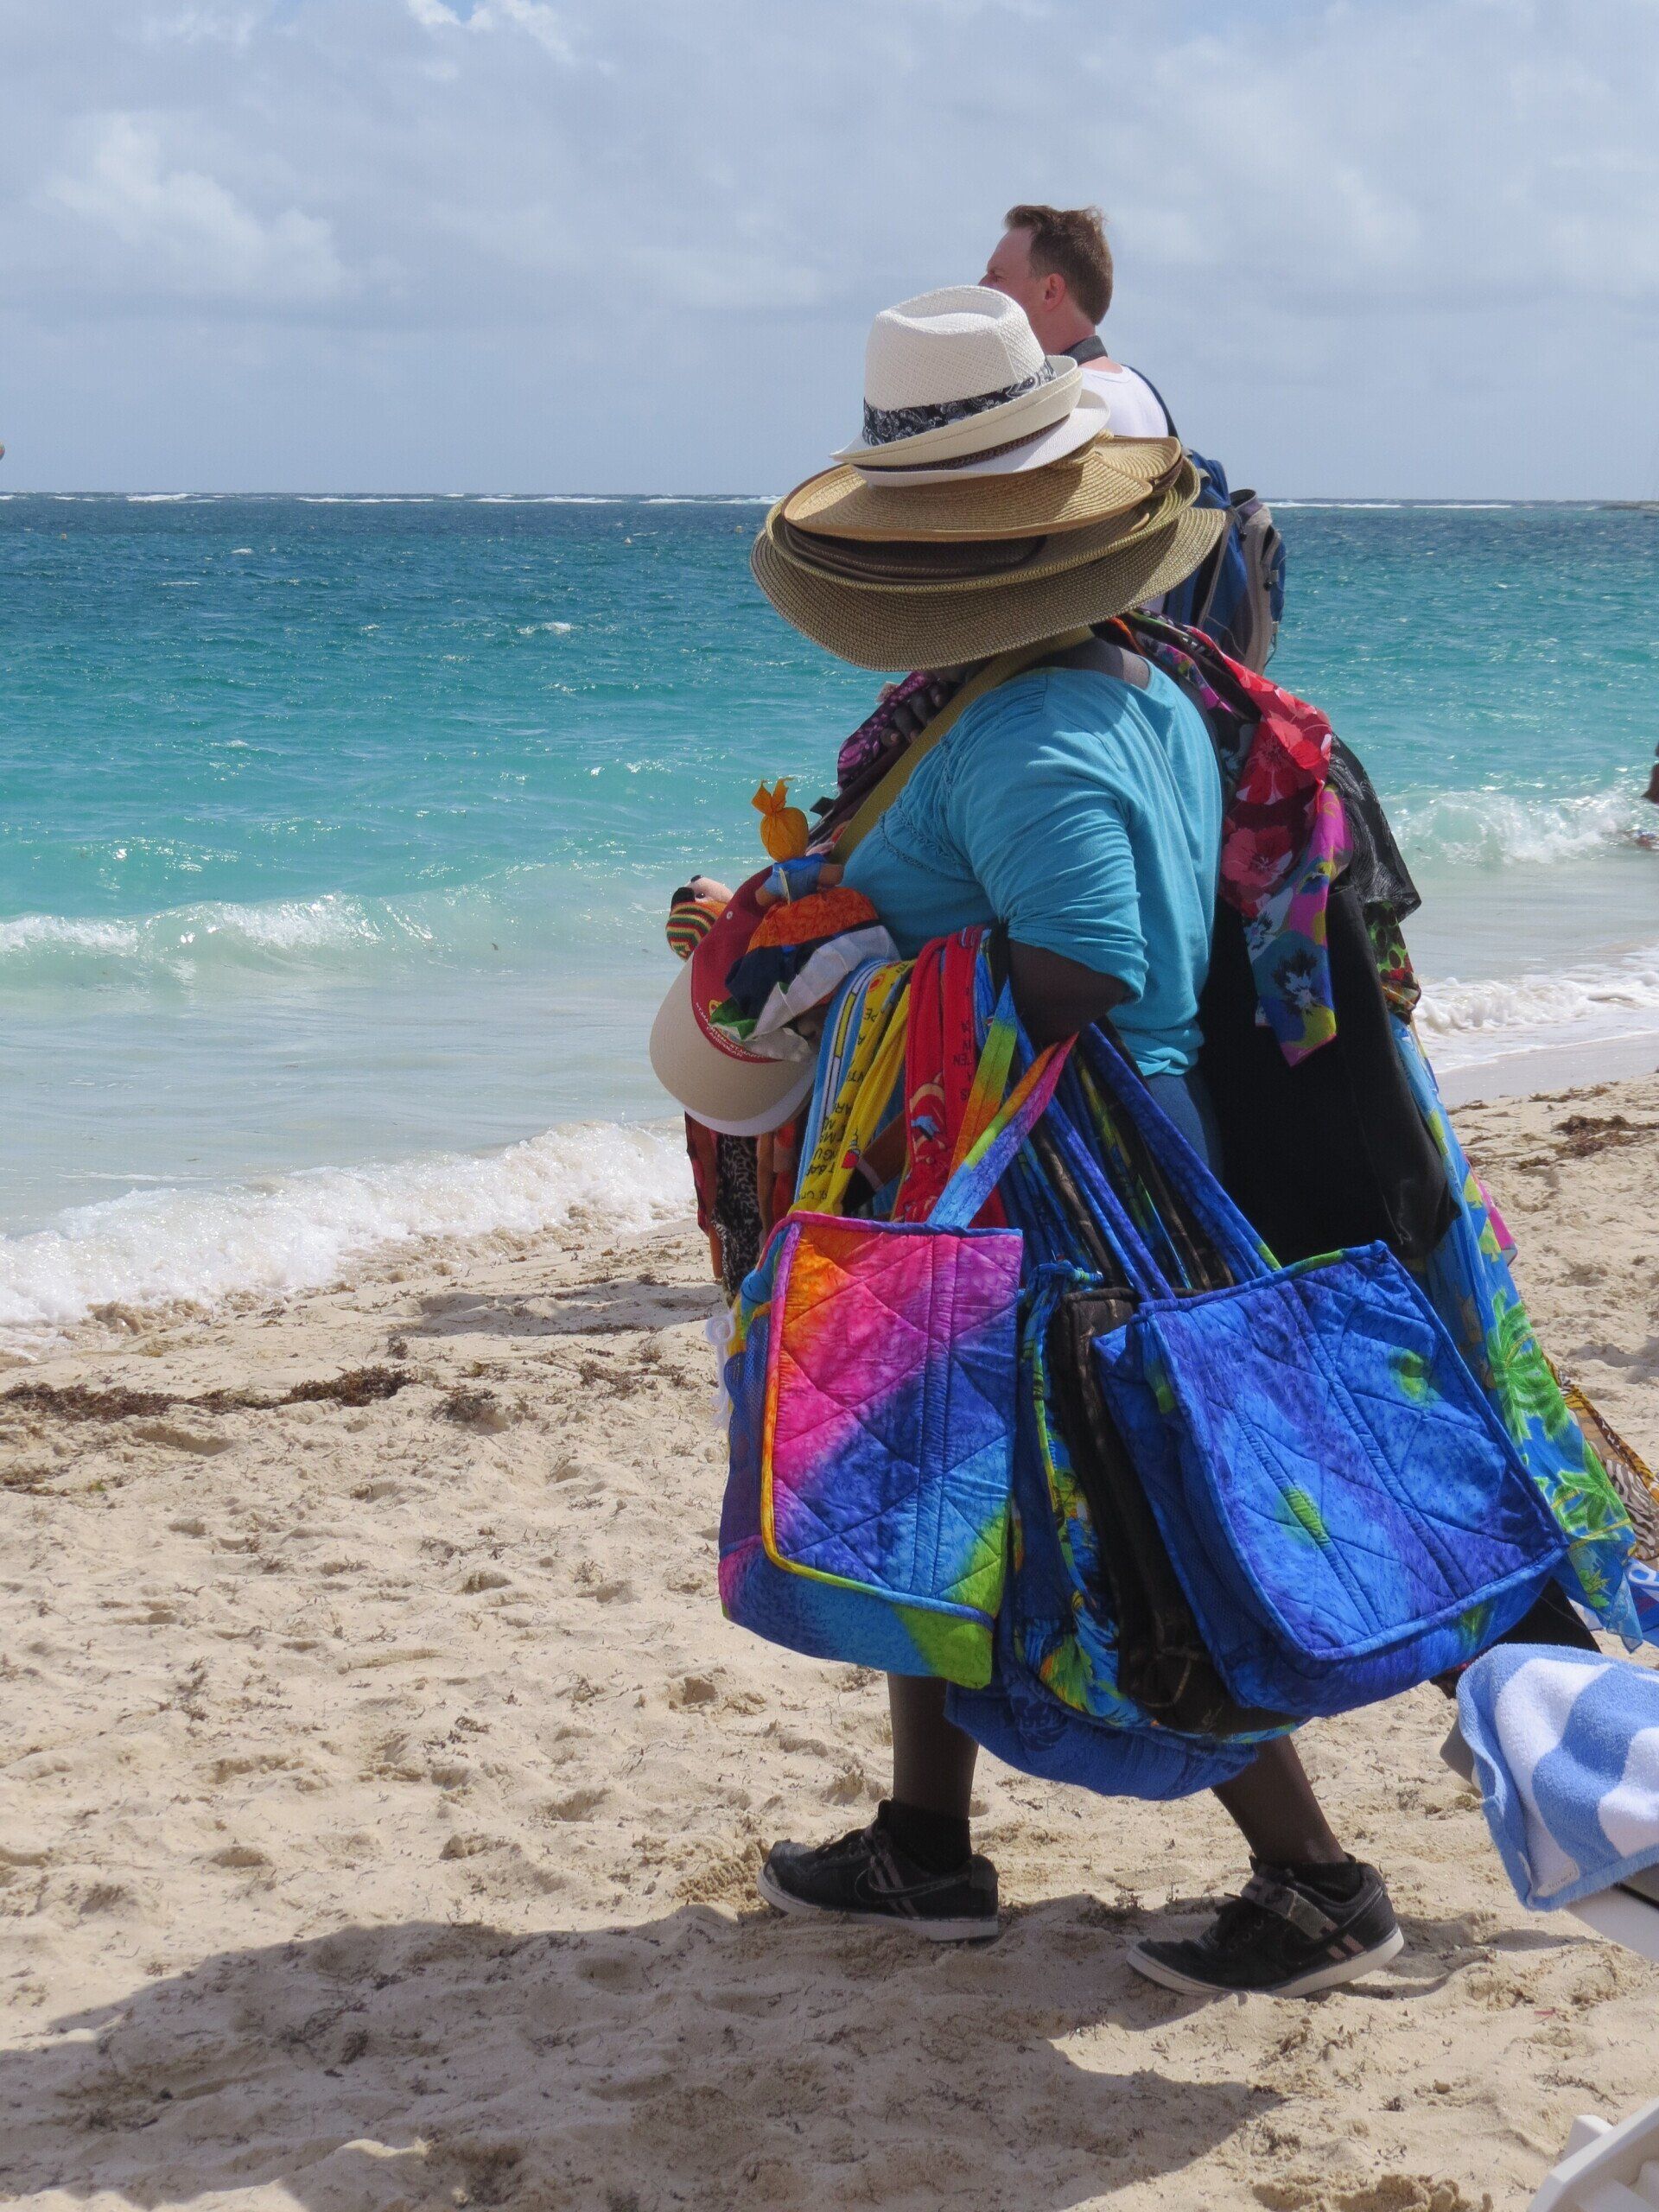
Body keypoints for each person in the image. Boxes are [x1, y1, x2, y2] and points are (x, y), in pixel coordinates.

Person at [730, 284, 1403, 1998]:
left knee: (1121, 1502)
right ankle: (924, 1841)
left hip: (1056, 1175)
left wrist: (861, 958)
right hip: (1014, 1160)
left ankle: (1318, 1878)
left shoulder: (1030, 725)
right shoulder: (1126, 680)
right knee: (933, 1485)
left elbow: (1098, 959)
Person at [982, 202, 1172, 437]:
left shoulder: (1062, 402)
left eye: (997, 277)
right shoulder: (1144, 393)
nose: (981, 286)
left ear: (1050, 291)